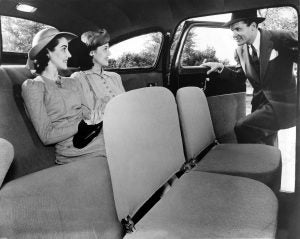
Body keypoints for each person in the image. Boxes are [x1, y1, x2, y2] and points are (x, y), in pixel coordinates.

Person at [201, 9, 298, 146]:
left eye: (238, 29)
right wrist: (221, 68)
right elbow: (239, 77)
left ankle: (253, 164)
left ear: (253, 26)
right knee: (267, 143)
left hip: (285, 105)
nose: (234, 35)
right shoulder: (240, 50)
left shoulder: (280, 38)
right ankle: (269, 165)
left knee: (242, 127)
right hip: (260, 106)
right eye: (232, 31)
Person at [22, 27, 105, 164]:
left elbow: (87, 113)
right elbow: (46, 136)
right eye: (63, 49)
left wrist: (98, 115)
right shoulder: (33, 86)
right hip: (72, 149)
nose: (69, 55)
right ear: (47, 52)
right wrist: (81, 126)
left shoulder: (72, 81)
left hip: (93, 134)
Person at [70, 29, 125, 127]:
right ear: (91, 53)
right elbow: (78, 114)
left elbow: (126, 105)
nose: (109, 53)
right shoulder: (78, 78)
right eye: (105, 49)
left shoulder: (115, 77)